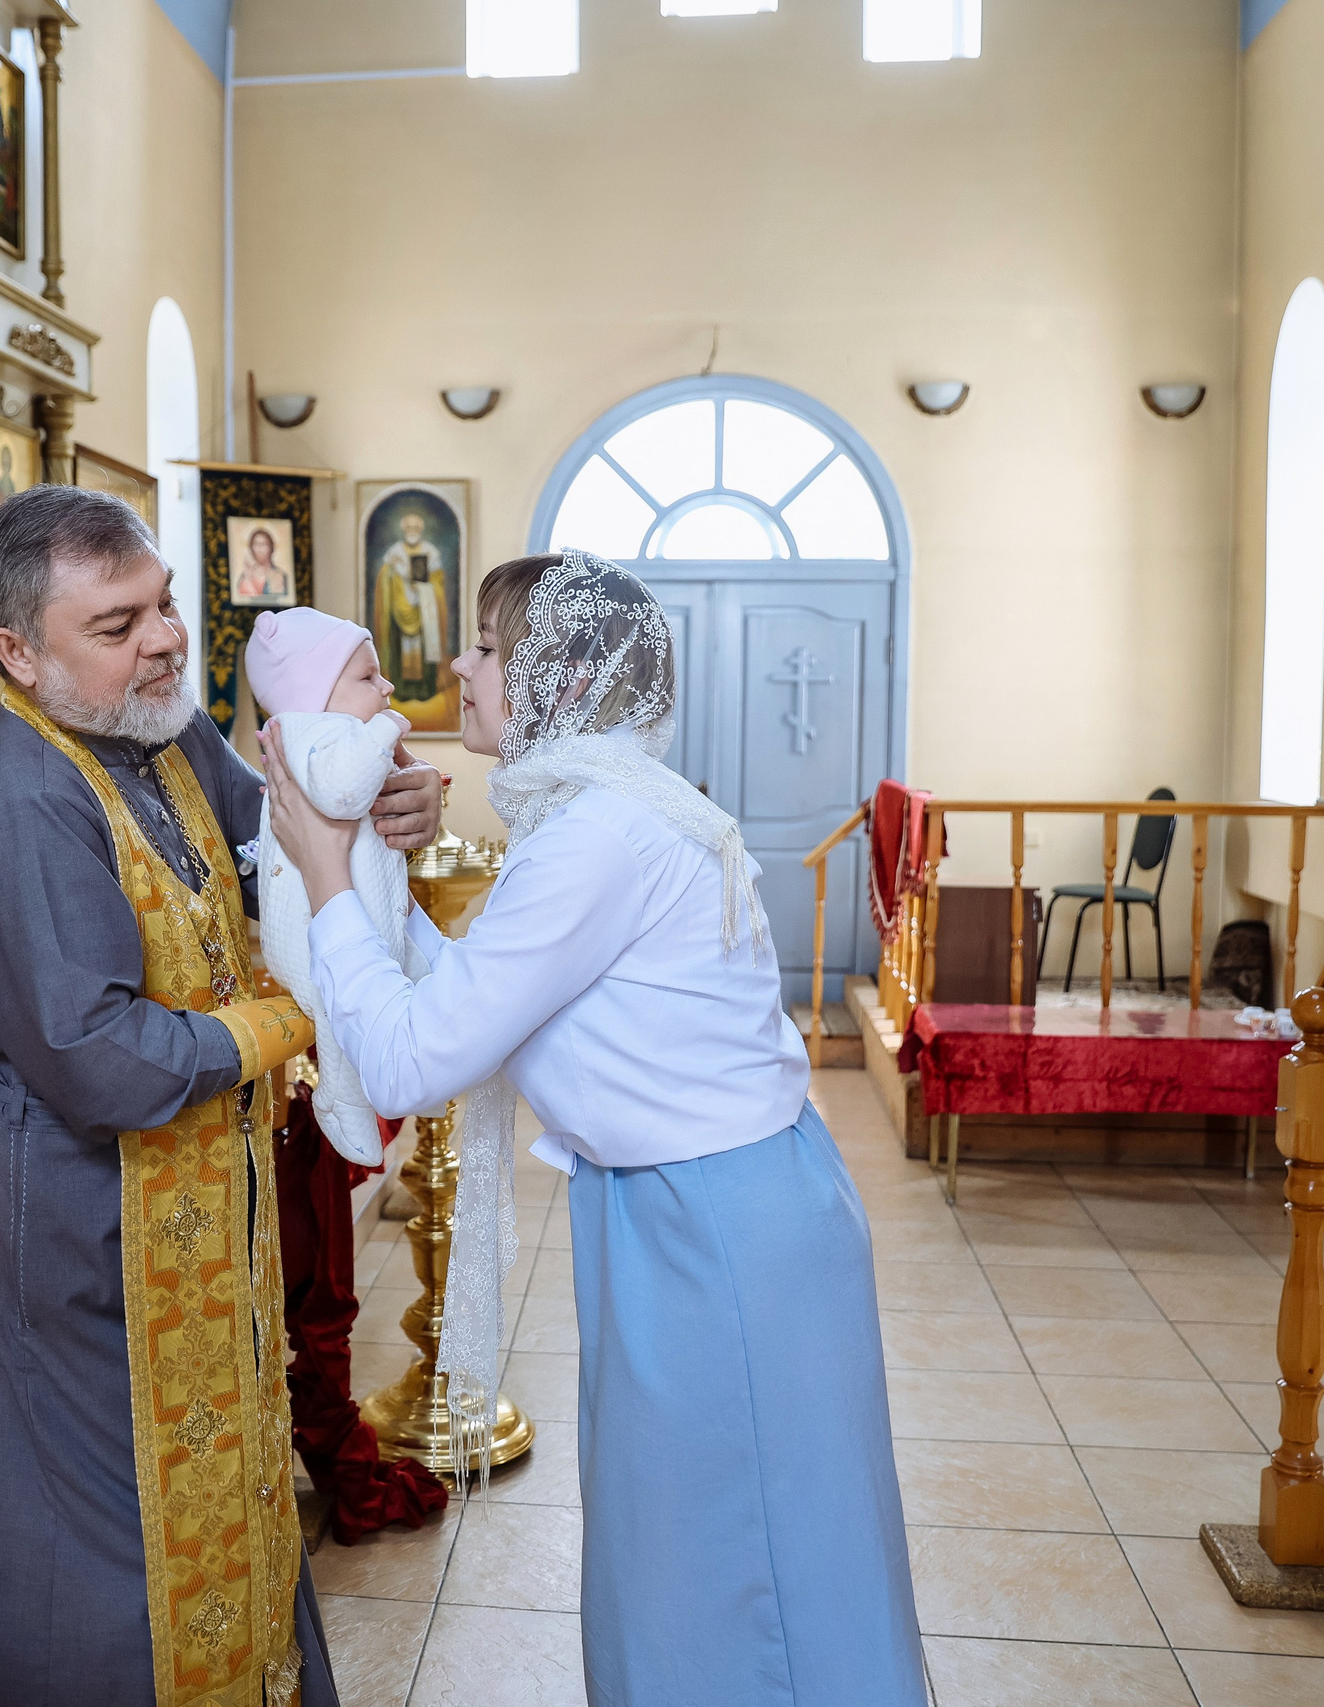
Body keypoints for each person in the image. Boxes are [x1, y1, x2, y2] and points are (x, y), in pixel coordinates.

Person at [262, 549, 928, 1707]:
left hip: (718, 1229)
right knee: (681, 1544)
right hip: (699, 1208)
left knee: (741, 1562)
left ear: (555, 676)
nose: (459, 667)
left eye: (485, 646)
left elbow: (417, 1056)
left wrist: (325, 875)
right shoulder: (599, 807)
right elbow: (476, 1004)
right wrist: (385, 872)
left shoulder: (595, 837)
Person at [0, 484, 445, 1705]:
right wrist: (291, 1019)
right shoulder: (26, 802)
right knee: (94, 1550)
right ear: (18, 652)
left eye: (161, 605)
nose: (164, 640)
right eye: (116, 626)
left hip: (194, 1208)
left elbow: (281, 846)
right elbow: (95, 1054)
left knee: (228, 1492)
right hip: (76, 1242)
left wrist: (388, 808)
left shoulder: (158, 729)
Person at [245, 608, 424, 1168]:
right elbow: (344, 793)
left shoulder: (336, 735)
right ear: (315, 692)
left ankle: (423, 1070)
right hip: (313, 937)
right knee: (340, 1026)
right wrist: (387, 730)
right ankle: (342, 1101)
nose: (386, 687)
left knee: (414, 993)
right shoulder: (310, 731)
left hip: (359, 919)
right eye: (368, 676)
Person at [372, 509, 449, 704]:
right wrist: (391, 572)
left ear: (420, 530)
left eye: (416, 527)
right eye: (409, 527)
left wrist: (425, 586)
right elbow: (384, 580)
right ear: (403, 529)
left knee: (423, 650)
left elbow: (438, 582)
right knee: (399, 650)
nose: (412, 530)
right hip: (399, 610)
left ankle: (424, 689)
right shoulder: (394, 553)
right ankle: (402, 690)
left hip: (424, 610)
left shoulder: (431, 552)